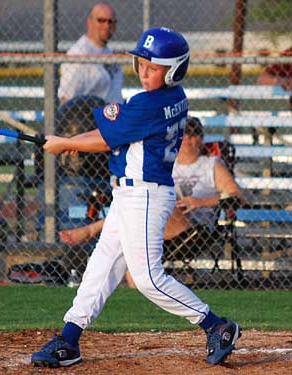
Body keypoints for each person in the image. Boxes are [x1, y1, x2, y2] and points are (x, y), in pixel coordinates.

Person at [31, 27, 241, 368]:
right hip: (129, 194)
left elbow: (102, 140)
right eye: (141, 63)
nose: (144, 71)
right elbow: (107, 133)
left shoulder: (147, 104)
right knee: (100, 267)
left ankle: (216, 325)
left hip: (144, 196)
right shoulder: (174, 97)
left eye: (153, 67)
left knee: (147, 278)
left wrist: (64, 143)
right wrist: (61, 140)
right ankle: (69, 339)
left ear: (173, 70)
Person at [59, 116, 246, 287]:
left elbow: (237, 197)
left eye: (195, 134)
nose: (189, 139)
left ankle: (93, 229)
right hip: (153, 223)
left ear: (201, 139)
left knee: (159, 196)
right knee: (135, 269)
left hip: (193, 229)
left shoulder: (211, 165)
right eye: (185, 133)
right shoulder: (164, 163)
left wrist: (200, 202)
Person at [58, 2, 123, 105]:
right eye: (101, 20)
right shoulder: (78, 54)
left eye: (111, 21)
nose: (107, 25)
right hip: (90, 118)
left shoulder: (108, 52)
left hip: (113, 116)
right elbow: (66, 100)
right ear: (89, 22)